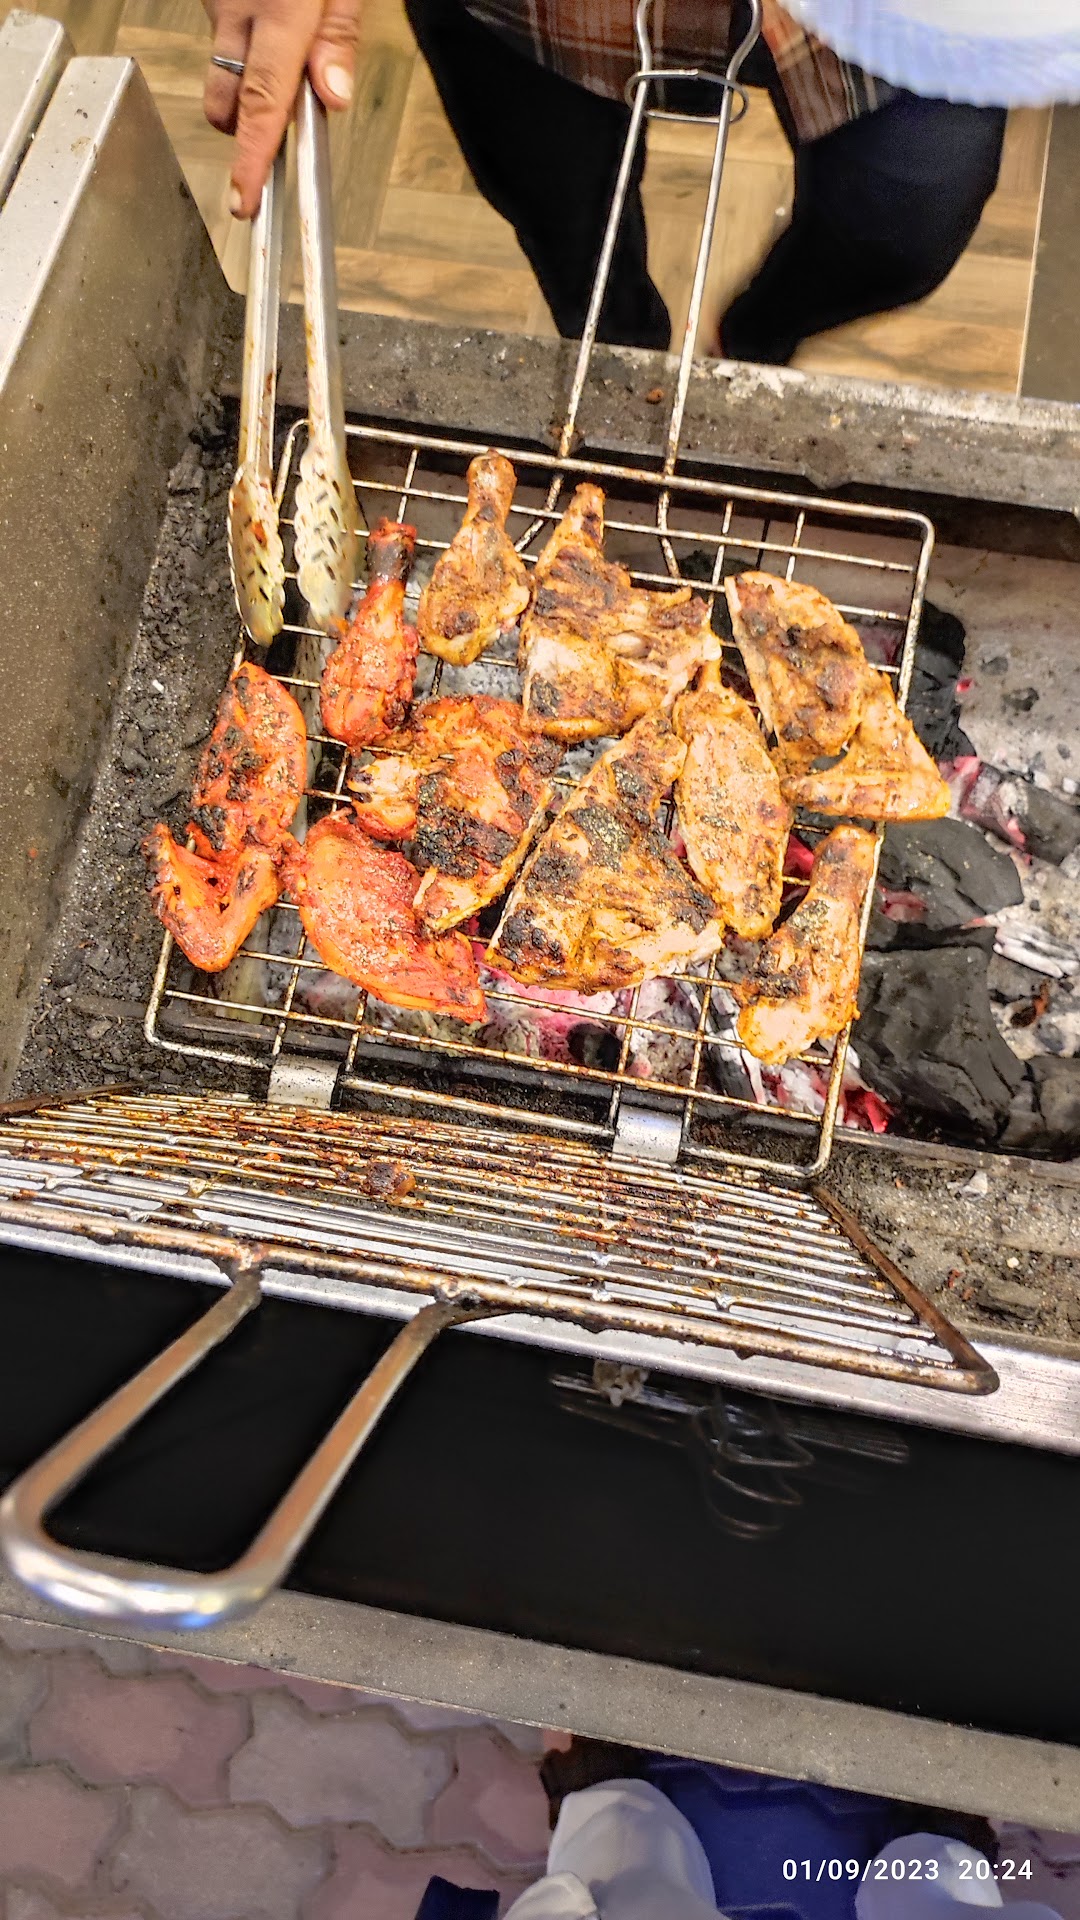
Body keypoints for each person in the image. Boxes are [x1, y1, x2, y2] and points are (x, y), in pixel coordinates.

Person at [201, 0, 1007, 365]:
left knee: (904, 229)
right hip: (534, 16)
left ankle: (755, 337)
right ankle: (623, 353)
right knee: (567, 230)